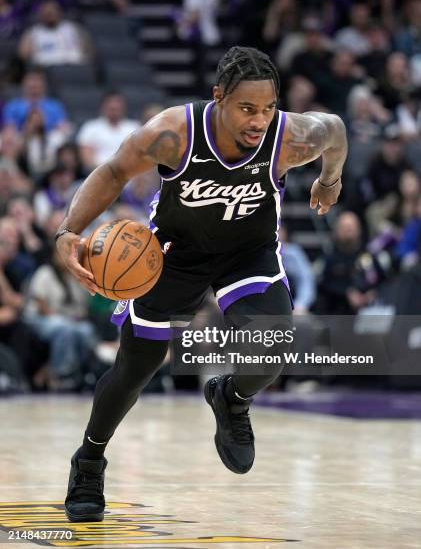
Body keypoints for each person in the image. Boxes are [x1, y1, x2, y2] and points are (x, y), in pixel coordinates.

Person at [55, 46, 347, 522]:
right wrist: (68, 231)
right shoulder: (173, 133)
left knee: (273, 348)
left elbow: (334, 131)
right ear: (218, 98)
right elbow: (112, 172)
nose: (259, 120)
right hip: (171, 257)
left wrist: (330, 179)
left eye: (268, 108)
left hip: (246, 253)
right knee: (134, 371)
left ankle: (230, 398)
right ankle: (89, 460)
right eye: (247, 109)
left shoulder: (289, 138)